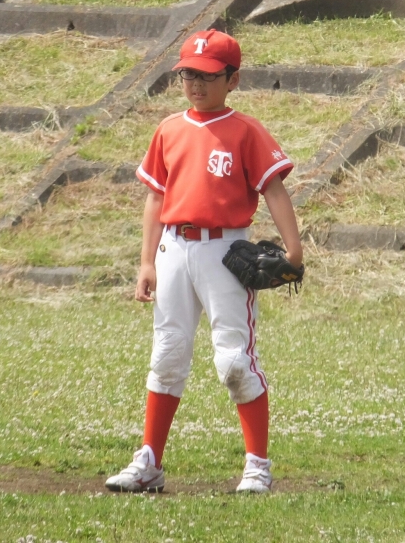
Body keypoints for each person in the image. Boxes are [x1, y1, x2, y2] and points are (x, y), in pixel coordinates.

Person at [105, 30, 303, 495]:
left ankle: (257, 466)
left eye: (208, 75)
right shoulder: (169, 129)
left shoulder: (246, 130)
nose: (196, 84)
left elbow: (274, 190)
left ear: (233, 80)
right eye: (188, 74)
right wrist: (147, 262)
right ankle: (149, 461)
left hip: (225, 251)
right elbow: (157, 198)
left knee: (234, 360)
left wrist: (294, 250)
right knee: (167, 354)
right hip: (173, 248)